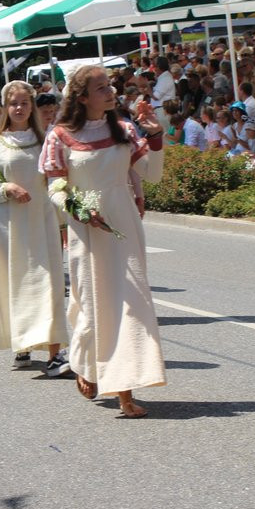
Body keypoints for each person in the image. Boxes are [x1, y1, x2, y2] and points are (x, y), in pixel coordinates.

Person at [39, 65, 166, 418]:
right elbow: (54, 187)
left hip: (123, 225)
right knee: (92, 302)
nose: (110, 92)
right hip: (87, 229)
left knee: (130, 304)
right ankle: (85, 362)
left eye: (109, 86)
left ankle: (124, 389)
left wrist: (155, 136)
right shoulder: (60, 136)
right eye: (100, 88)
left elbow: (151, 174)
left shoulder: (124, 129)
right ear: (81, 98)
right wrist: (76, 208)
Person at [0, 81, 69, 374]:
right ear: (4, 107)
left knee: (49, 284)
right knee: (15, 285)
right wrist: (6, 188)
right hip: (10, 226)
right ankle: (22, 345)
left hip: (43, 220)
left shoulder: (47, 140)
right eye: (13, 103)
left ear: (32, 106)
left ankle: (55, 354)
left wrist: (65, 220)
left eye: (24, 103)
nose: (19, 108)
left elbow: (59, 180)